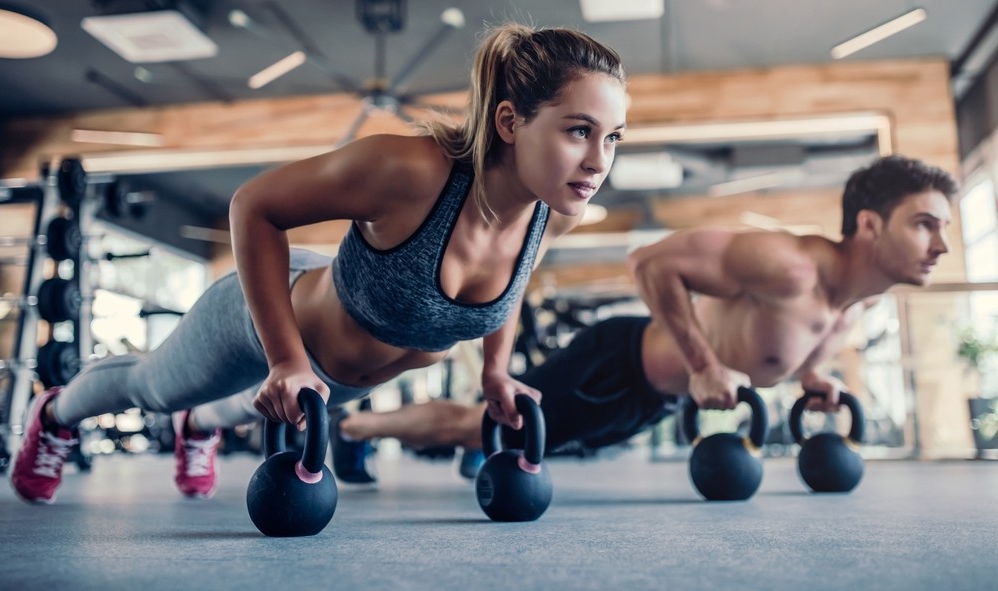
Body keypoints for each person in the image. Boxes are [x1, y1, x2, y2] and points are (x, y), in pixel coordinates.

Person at [10, 23, 629, 503]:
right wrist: (285, 358)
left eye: (613, 137)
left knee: (247, 403)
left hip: (324, 381)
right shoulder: (409, 173)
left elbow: (510, 288)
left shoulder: (554, 212)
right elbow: (254, 205)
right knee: (152, 390)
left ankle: (201, 427)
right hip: (267, 317)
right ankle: (56, 414)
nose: (599, 161)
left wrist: (496, 371)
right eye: (580, 130)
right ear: (509, 121)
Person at [326, 154, 958, 481]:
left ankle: (362, 429)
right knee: (478, 429)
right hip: (618, 365)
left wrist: (815, 374)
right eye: (925, 224)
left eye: (946, 228)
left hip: (647, 399)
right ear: (870, 226)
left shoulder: (859, 301)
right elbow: (650, 261)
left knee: (503, 437)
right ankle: (354, 429)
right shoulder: (787, 263)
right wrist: (705, 363)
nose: (942, 245)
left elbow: (799, 337)